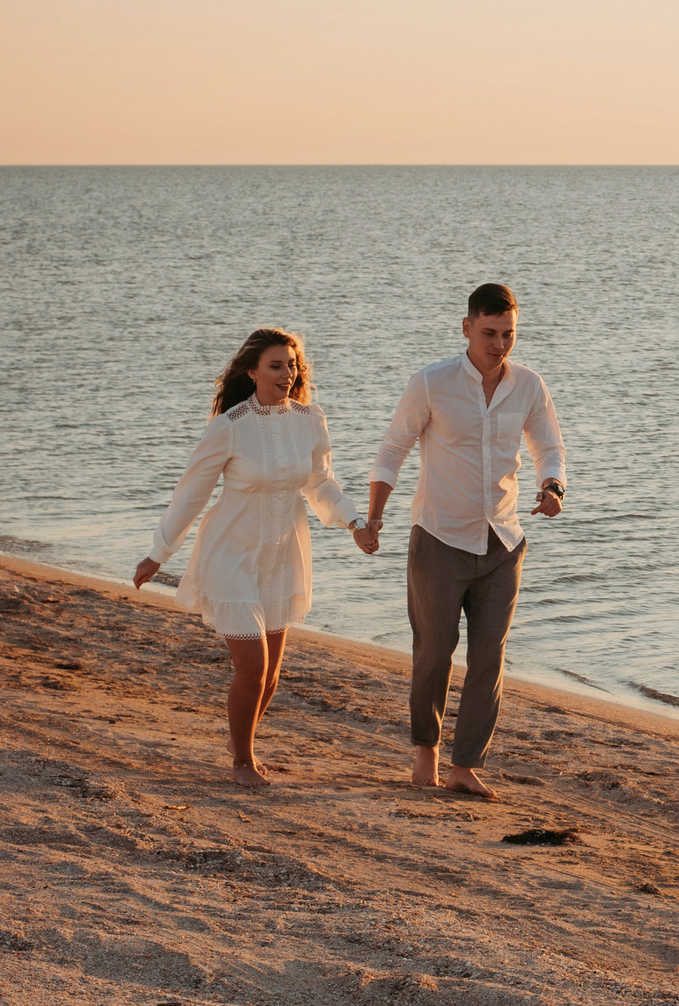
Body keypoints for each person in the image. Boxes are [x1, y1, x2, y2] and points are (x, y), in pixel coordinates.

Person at [355, 283, 566, 800]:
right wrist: (374, 518)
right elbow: (393, 450)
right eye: (490, 333)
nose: (500, 344)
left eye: (508, 334)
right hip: (439, 537)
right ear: (467, 327)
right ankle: (426, 750)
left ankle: (465, 766)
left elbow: (548, 446)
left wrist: (553, 486)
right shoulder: (431, 383)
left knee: (489, 657)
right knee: (434, 651)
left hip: (503, 540)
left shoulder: (529, 385)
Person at [135, 327, 361, 787]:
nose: (287, 374)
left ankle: (242, 742)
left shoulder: (309, 420)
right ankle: (242, 760)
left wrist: (355, 522)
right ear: (252, 372)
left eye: (292, 366)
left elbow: (320, 483)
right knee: (252, 668)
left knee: (271, 677)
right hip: (230, 555)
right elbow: (191, 494)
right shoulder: (230, 426)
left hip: (281, 557)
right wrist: (159, 553)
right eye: (276, 366)